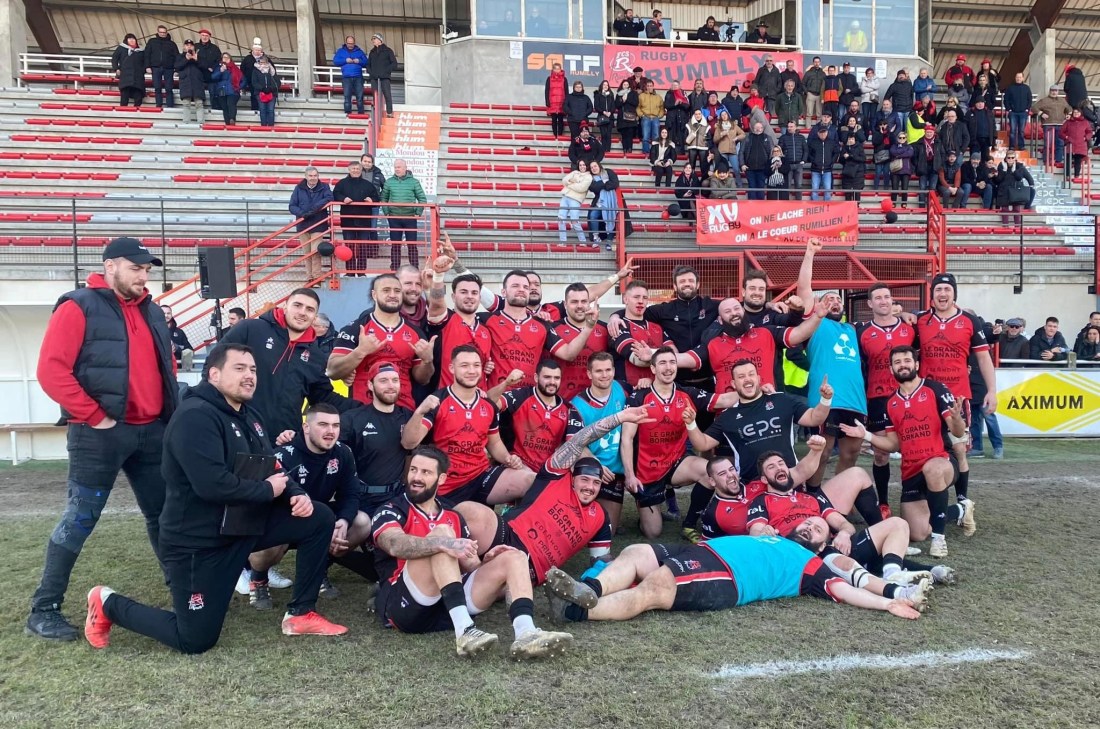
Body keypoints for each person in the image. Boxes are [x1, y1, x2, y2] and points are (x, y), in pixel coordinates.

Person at [83, 343, 347, 654]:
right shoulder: (195, 417)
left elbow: (271, 465)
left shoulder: (250, 415)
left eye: (253, 370)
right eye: (239, 368)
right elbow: (212, 485)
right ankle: (107, 603)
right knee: (195, 639)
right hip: (200, 541)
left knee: (318, 516)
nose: (249, 376)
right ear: (214, 374)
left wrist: (296, 493)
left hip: (242, 526)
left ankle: (301, 613)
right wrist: (267, 491)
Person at [26, 237, 177, 642]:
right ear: (110, 266)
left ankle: (183, 590)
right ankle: (44, 609)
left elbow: (166, 369)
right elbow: (51, 371)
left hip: (152, 432)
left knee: (165, 516)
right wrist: (96, 417)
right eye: (136, 268)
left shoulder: (153, 311)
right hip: (98, 434)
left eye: (147, 270)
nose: (143, 276)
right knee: (80, 518)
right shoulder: (78, 306)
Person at [370, 444, 573, 658]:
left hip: (447, 603)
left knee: (514, 556)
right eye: (413, 470)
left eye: (426, 472)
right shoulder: (391, 509)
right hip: (407, 605)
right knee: (443, 536)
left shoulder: (453, 515)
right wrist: (442, 543)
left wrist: (487, 562)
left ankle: (526, 632)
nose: (417, 477)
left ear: (441, 479)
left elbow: (471, 565)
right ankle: (465, 630)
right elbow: (393, 544)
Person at [542, 534, 923, 625]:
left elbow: (845, 589)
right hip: (703, 550)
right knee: (639, 551)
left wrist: (887, 601)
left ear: (823, 544)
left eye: (816, 527)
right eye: (807, 522)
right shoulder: (774, 535)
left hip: (727, 576)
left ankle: (575, 611)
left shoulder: (813, 566)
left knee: (655, 587)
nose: (809, 525)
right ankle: (589, 589)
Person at [840, 345, 972, 558]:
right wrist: (866, 435)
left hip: (941, 461)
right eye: (897, 362)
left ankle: (939, 539)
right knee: (917, 532)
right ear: (891, 369)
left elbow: (957, 432)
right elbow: (893, 445)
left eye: (907, 361)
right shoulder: (891, 403)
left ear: (916, 364)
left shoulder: (936, 389)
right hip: (911, 471)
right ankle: (960, 510)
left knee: (933, 469)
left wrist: (957, 418)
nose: (903, 365)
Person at [248, 403, 362, 604]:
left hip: (321, 519)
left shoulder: (343, 452)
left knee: (362, 522)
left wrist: (344, 521)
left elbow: (351, 494)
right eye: (323, 424)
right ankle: (258, 578)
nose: (331, 431)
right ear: (306, 427)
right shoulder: (284, 454)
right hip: (287, 518)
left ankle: (319, 569)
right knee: (265, 539)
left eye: (335, 425)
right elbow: (265, 499)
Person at [621, 347, 739, 539]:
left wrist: (756, 389)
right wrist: (629, 476)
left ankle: (689, 524)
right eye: (662, 363)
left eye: (672, 362)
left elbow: (723, 400)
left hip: (676, 463)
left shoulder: (687, 394)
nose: (668, 368)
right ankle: (647, 505)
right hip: (646, 471)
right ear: (653, 369)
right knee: (653, 532)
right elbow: (627, 438)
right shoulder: (639, 398)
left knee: (709, 471)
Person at [399, 345, 534, 504]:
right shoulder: (438, 401)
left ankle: (514, 515)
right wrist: (419, 412)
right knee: (475, 514)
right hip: (447, 484)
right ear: (452, 368)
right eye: (464, 365)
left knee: (532, 479)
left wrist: (508, 458)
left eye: (476, 365)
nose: (471, 371)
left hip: (481, 475)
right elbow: (408, 443)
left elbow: (494, 442)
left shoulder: (488, 405)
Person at [220, 288, 358, 440]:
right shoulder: (250, 329)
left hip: (284, 440)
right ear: (285, 307)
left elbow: (322, 397)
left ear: (314, 317)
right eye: (297, 305)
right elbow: (215, 363)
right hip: (239, 433)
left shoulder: (316, 356)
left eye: (310, 309)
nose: (302, 312)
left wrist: (365, 408)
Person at [915, 272, 995, 521]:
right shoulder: (920, 320)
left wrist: (992, 390)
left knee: (959, 449)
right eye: (938, 290)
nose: (942, 294)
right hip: (927, 398)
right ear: (932, 295)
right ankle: (928, 497)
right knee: (926, 451)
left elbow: (984, 357)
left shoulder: (969, 320)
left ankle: (962, 502)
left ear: (954, 294)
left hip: (957, 397)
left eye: (947, 290)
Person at [327, 273, 434, 410]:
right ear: (374, 295)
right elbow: (332, 371)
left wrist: (427, 361)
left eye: (397, 291)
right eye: (386, 290)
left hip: (403, 412)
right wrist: (360, 351)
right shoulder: (356, 329)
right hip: (362, 410)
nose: (392, 295)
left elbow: (423, 379)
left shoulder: (416, 333)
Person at [855, 283, 918, 515]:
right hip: (877, 399)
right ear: (870, 303)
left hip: (908, 396)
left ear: (892, 300)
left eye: (887, 297)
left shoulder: (911, 328)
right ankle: (883, 503)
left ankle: (914, 498)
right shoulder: (862, 332)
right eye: (878, 298)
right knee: (881, 454)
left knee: (913, 450)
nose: (883, 301)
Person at [569, 353, 630, 532]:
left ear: (614, 371)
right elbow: (575, 443)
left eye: (608, 370)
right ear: (589, 374)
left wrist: (646, 382)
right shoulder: (577, 405)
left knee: (609, 529)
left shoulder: (622, 389)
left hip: (615, 473)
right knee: (579, 526)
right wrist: (597, 466)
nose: (604, 375)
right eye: (599, 371)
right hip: (591, 469)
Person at [489, 359, 583, 473]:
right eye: (547, 377)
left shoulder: (568, 409)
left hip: (548, 472)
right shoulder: (522, 396)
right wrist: (506, 384)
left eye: (556, 378)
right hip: (517, 466)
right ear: (536, 378)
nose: (552, 382)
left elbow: (577, 445)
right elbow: (489, 403)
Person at [288, 168, 333, 283]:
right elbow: (292, 206)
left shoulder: (324, 187)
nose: (313, 178)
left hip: (318, 223)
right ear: (306, 176)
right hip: (303, 224)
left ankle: (316, 277)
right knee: (307, 253)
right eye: (310, 176)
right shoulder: (298, 188)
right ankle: (309, 277)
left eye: (315, 175)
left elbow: (329, 198)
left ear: (318, 176)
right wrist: (302, 213)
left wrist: (314, 209)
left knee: (315, 251)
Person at [332, 161, 380, 270]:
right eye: (353, 168)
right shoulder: (342, 183)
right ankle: (350, 271)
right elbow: (335, 194)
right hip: (348, 221)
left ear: (361, 170)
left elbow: (376, 198)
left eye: (358, 169)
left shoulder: (368, 184)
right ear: (349, 170)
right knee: (349, 246)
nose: (355, 171)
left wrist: (371, 200)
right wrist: (343, 199)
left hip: (364, 221)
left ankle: (362, 271)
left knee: (363, 247)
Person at [382, 159, 427, 269]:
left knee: (412, 244)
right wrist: (386, 212)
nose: (397, 169)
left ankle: (414, 268)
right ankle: (394, 268)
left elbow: (422, 198)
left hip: (410, 218)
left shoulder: (414, 182)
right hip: (394, 218)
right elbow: (383, 198)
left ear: (405, 168)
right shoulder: (389, 182)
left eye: (399, 167)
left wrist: (418, 213)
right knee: (395, 245)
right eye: (395, 167)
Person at [1033, 86, 1071, 163]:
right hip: (1048, 124)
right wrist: (1041, 114)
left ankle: (1058, 161)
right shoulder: (1044, 100)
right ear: (1050, 91)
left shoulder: (1062, 100)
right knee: (1048, 144)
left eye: (1056, 91)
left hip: (1060, 125)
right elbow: (1034, 108)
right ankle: (1046, 160)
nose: (1054, 92)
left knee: (1060, 143)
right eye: (1052, 90)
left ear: (1058, 91)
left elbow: (1069, 108)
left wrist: (1069, 114)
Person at [558, 160, 592, 246]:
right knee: (561, 219)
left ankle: (583, 241)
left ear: (587, 166)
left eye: (584, 165)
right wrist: (574, 183)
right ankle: (563, 242)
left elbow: (581, 188)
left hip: (575, 199)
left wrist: (570, 183)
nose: (582, 167)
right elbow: (564, 180)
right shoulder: (574, 172)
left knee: (574, 221)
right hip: (565, 196)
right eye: (580, 165)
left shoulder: (589, 177)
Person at [994, 150, 1036, 219]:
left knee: (1016, 210)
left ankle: (1017, 225)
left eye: (1012, 157)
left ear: (1015, 158)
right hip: (1004, 191)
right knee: (1004, 210)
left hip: (1015, 190)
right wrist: (1004, 171)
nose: (1010, 159)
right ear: (1006, 158)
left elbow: (1025, 178)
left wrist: (1014, 171)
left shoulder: (1019, 166)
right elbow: (998, 180)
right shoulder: (1001, 165)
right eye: (1009, 157)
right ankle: (1005, 225)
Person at [739, 120, 774, 200]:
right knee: (751, 187)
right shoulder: (747, 138)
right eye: (756, 127)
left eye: (760, 127)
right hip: (749, 168)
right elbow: (741, 152)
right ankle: (751, 206)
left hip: (763, 169)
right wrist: (742, 164)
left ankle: (760, 206)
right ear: (753, 128)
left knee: (761, 188)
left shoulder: (767, 138)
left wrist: (769, 165)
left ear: (762, 128)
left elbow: (771, 152)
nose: (758, 129)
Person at [145, 26, 178, 108]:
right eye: (161, 32)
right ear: (158, 32)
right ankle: (158, 105)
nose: (163, 34)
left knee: (169, 88)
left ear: (166, 33)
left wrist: (176, 68)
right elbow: (147, 54)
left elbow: (176, 56)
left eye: (164, 32)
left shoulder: (172, 44)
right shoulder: (152, 42)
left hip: (169, 68)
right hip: (155, 67)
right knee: (157, 87)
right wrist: (147, 66)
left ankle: (170, 106)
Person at [175, 40, 205, 124]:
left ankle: (201, 122)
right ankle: (186, 122)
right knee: (186, 103)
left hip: (197, 83)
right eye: (187, 45)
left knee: (199, 103)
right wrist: (186, 59)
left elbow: (204, 67)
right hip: (185, 83)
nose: (189, 46)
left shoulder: (199, 56)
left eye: (191, 45)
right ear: (184, 47)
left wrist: (196, 59)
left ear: (194, 47)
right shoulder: (180, 56)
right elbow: (177, 67)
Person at [210, 53, 243, 125]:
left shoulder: (235, 68)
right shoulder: (218, 68)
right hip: (222, 90)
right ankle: (228, 124)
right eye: (224, 57)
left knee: (231, 104)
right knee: (225, 107)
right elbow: (213, 77)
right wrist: (220, 71)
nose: (226, 59)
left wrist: (239, 87)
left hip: (233, 91)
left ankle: (232, 119)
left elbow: (243, 80)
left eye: (227, 57)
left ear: (230, 59)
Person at [808, 124, 839, 201]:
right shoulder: (813, 142)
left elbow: (836, 153)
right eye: (821, 132)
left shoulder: (831, 142)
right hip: (815, 169)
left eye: (824, 132)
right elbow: (809, 153)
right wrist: (814, 161)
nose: (823, 134)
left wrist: (831, 161)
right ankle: (815, 206)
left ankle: (827, 206)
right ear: (818, 133)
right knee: (814, 190)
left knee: (827, 190)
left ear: (827, 132)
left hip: (827, 170)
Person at [368, 33, 397, 117]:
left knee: (387, 94)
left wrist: (386, 71)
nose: (373, 41)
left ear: (380, 40)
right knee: (375, 95)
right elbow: (368, 64)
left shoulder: (388, 51)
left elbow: (394, 63)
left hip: (385, 77)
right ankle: (376, 113)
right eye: (372, 39)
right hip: (374, 77)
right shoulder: (372, 52)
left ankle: (389, 112)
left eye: (375, 39)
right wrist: (371, 72)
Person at [1059, 108, 1093, 178]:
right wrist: (1066, 137)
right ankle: (1067, 176)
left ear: (1081, 113)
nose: (1076, 113)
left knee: (1078, 161)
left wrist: (1085, 138)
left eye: (1078, 112)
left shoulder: (1085, 122)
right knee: (1068, 160)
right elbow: (1061, 132)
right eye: (1074, 112)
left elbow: (1090, 132)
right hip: (1070, 144)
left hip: (1080, 145)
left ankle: (1076, 176)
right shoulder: (1068, 122)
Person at [1002, 73, 1032, 151]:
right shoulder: (1010, 88)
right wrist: (1009, 109)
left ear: (1023, 78)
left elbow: (1029, 99)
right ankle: (1012, 146)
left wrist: (1027, 109)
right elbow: (1006, 99)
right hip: (1013, 113)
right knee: (1012, 131)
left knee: (1021, 131)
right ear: (1015, 78)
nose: (1018, 78)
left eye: (1020, 77)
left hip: (1023, 113)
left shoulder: (1026, 88)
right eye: (1017, 77)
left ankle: (1021, 146)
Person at [160, 305, 195, 371]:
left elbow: (189, 349)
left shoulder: (179, 332)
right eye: (163, 313)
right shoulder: (153, 331)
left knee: (188, 351)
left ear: (171, 315)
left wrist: (177, 348)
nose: (166, 315)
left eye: (168, 313)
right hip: (160, 366)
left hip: (178, 365)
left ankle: (187, 373)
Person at [251, 55, 280, 127]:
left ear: (267, 62)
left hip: (272, 93)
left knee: (271, 110)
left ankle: (271, 126)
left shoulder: (272, 71)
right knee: (262, 109)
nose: (262, 64)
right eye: (261, 62)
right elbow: (254, 82)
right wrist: (262, 88)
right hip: (260, 93)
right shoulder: (255, 71)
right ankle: (263, 126)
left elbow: (277, 83)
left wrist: (270, 88)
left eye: (264, 62)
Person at [195, 29, 221, 106]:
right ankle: (200, 108)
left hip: (211, 75)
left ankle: (214, 108)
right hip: (198, 74)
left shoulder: (215, 48)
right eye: (203, 35)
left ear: (209, 37)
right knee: (199, 94)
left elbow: (218, 60)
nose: (204, 37)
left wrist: (213, 68)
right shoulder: (195, 47)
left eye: (206, 36)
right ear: (200, 36)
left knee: (213, 92)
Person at [636, 80, 663, 155]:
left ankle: (655, 153)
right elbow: (638, 107)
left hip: (655, 118)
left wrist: (659, 116)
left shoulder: (658, 97)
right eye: (648, 86)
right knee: (645, 136)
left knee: (656, 136)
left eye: (651, 86)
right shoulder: (641, 96)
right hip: (646, 118)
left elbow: (662, 108)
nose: (649, 87)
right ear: (646, 87)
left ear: (653, 86)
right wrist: (642, 115)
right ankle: (646, 153)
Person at [888, 130, 914, 206]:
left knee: (905, 188)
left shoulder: (909, 146)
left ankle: (904, 203)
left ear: (906, 138)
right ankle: (893, 202)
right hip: (895, 170)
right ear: (897, 138)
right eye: (900, 137)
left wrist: (898, 155)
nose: (902, 139)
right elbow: (892, 152)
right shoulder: (894, 146)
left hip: (906, 170)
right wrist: (903, 152)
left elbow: (910, 154)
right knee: (894, 188)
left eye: (903, 137)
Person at [543, 62, 568, 138]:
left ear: (560, 69)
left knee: (560, 120)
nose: (557, 70)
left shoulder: (564, 79)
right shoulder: (549, 79)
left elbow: (566, 91)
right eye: (555, 69)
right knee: (554, 120)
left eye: (558, 69)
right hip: (552, 102)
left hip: (561, 102)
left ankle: (560, 135)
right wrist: (547, 101)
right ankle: (555, 136)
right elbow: (547, 91)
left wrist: (566, 103)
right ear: (553, 69)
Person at [614, 80, 639, 154]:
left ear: (629, 85)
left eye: (627, 84)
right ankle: (624, 149)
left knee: (630, 134)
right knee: (624, 134)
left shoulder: (633, 93)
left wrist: (627, 99)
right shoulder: (618, 94)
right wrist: (622, 100)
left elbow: (636, 103)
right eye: (624, 84)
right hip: (622, 117)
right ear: (622, 85)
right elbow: (617, 105)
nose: (625, 86)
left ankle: (630, 149)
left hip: (630, 116)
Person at [839, 134, 865, 202]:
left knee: (857, 193)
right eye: (849, 139)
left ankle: (857, 206)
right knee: (847, 193)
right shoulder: (844, 147)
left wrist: (851, 156)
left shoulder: (859, 147)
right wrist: (844, 157)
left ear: (855, 140)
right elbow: (840, 161)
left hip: (858, 173)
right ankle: (848, 206)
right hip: (847, 172)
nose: (850, 140)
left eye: (852, 139)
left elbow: (863, 159)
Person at [593, 80, 616, 149]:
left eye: (607, 85)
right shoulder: (598, 95)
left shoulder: (611, 95)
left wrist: (610, 112)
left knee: (608, 134)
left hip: (610, 117)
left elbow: (613, 106)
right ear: (601, 86)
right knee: (603, 134)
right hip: (601, 116)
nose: (606, 86)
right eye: (604, 85)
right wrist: (603, 112)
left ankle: (608, 149)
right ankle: (603, 149)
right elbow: (596, 106)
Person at [803, 57, 826, 124]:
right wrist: (807, 92)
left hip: (819, 95)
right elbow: (803, 83)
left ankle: (818, 128)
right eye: (815, 62)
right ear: (813, 63)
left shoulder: (823, 73)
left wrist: (823, 95)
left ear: (820, 63)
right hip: (810, 94)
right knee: (809, 113)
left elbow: (825, 85)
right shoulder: (808, 73)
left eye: (818, 62)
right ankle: (808, 128)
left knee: (819, 114)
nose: (816, 63)